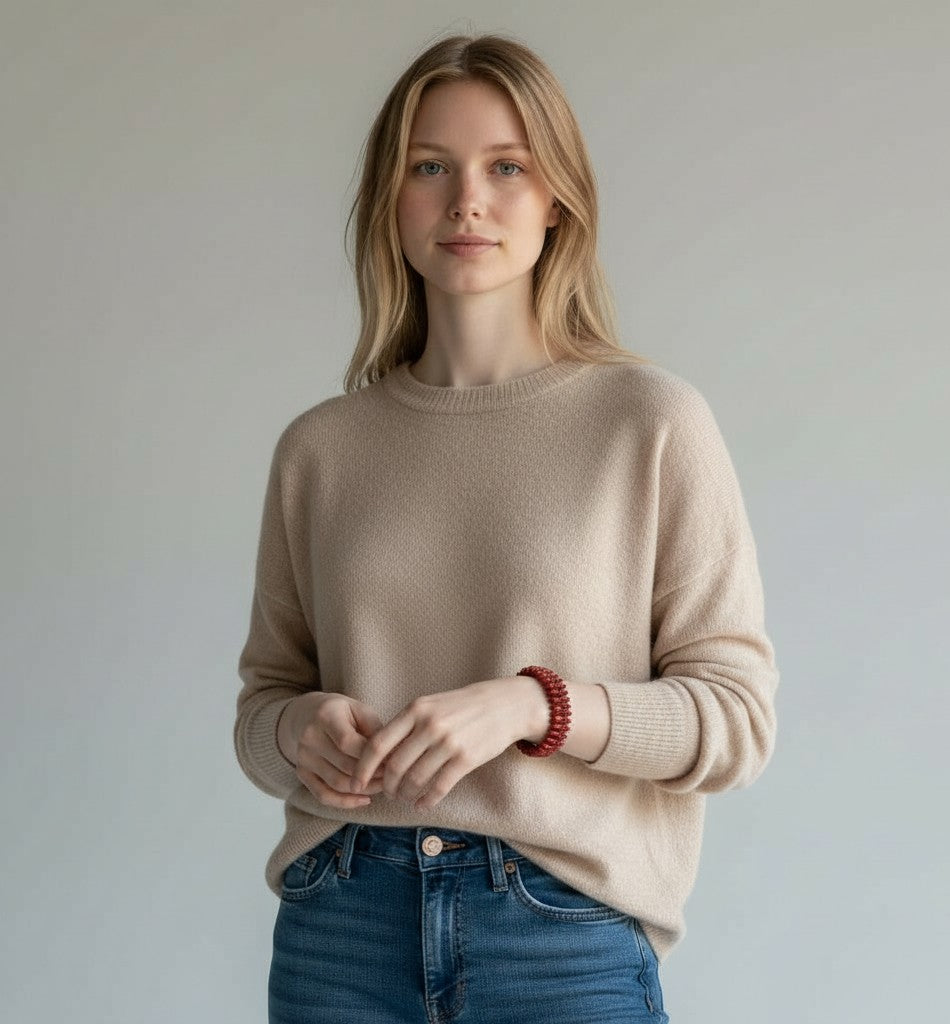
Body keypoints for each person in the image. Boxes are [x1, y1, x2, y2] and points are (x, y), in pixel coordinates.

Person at [235, 32, 779, 1024]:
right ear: (388, 200)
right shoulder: (321, 448)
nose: (466, 202)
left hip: (557, 927)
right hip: (341, 922)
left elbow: (735, 720)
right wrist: (295, 729)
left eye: (506, 167)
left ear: (557, 196)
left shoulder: (647, 422)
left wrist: (534, 708)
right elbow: (263, 704)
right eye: (429, 167)